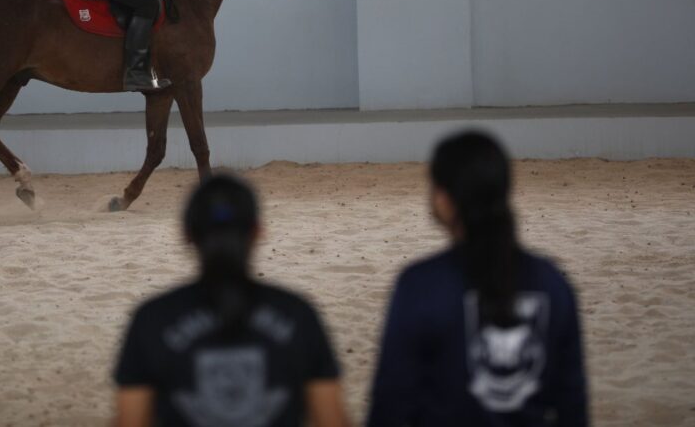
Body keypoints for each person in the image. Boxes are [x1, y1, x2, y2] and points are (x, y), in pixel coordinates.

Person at [366, 130, 589, 426]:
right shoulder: (553, 284)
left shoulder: (420, 286)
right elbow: (572, 404)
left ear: (444, 199)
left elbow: (390, 404)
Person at [113, 174, 349, 427]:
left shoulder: (151, 319)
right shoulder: (299, 315)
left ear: (187, 235)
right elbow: (331, 420)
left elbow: (130, 420)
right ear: (258, 231)